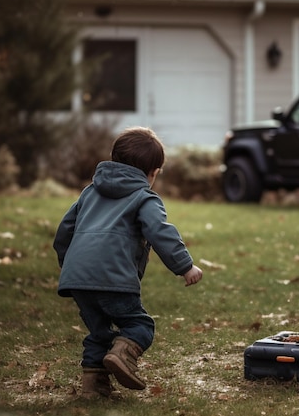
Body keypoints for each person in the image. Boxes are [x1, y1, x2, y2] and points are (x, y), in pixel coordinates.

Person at [53, 127, 203, 399]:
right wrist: (185, 266)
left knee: (99, 332)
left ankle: (93, 386)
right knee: (139, 326)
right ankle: (122, 354)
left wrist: (68, 264)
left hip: (78, 279)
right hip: (114, 278)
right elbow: (160, 231)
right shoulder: (144, 197)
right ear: (153, 172)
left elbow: (65, 230)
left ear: (114, 160)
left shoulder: (89, 193)